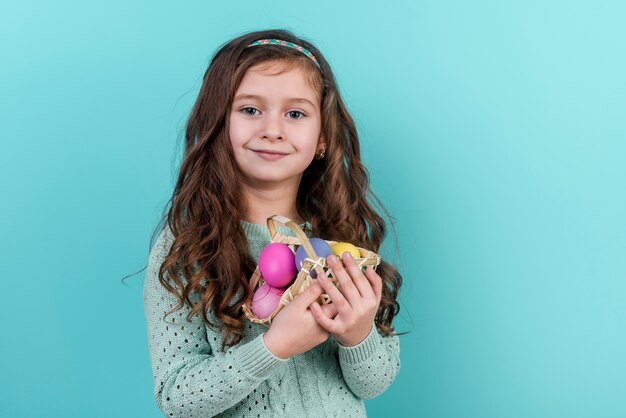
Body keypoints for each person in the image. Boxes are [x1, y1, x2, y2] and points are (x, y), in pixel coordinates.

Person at [143, 29, 404, 417]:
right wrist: (275, 345)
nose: (272, 129)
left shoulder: (342, 239)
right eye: (250, 110)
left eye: (295, 113)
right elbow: (178, 398)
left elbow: (374, 382)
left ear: (322, 139)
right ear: (219, 124)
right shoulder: (186, 247)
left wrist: (358, 334)